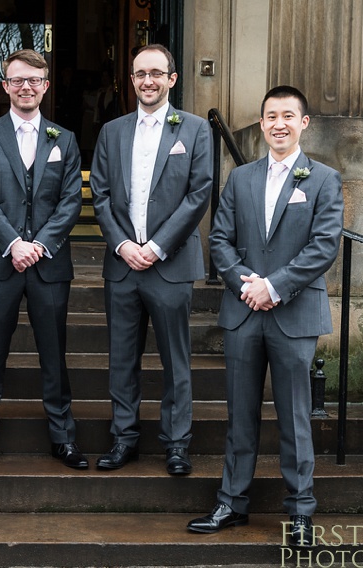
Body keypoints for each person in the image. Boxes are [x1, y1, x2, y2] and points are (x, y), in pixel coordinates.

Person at [188, 85, 343, 547]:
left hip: (294, 315)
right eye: (270, 116)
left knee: (295, 417)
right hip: (243, 311)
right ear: (261, 124)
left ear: (303, 123)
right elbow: (219, 240)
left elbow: (323, 247)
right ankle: (231, 503)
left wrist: (273, 286)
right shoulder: (241, 178)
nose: (279, 123)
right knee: (240, 415)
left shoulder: (323, 179)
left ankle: (300, 513)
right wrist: (245, 285)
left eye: (288, 116)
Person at [90, 44, 213, 476]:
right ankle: (124, 438)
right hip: (122, 265)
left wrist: (157, 246)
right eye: (140, 73)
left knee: (175, 360)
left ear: (172, 79)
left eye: (156, 73)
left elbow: (199, 195)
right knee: (122, 358)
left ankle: (177, 443)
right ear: (132, 79)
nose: (148, 81)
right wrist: (124, 245)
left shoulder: (196, 130)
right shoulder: (112, 131)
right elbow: (101, 194)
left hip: (171, 264)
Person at [0, 49, 85, 471]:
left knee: (55, 354)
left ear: (45, 85)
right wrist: (14, 243)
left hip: (49, 266)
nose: (26, 87)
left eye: (33, 80)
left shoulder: (64, 139)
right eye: (17, 80)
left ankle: (63, 437)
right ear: (5, 86)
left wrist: (40, 245)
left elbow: (70, 202)